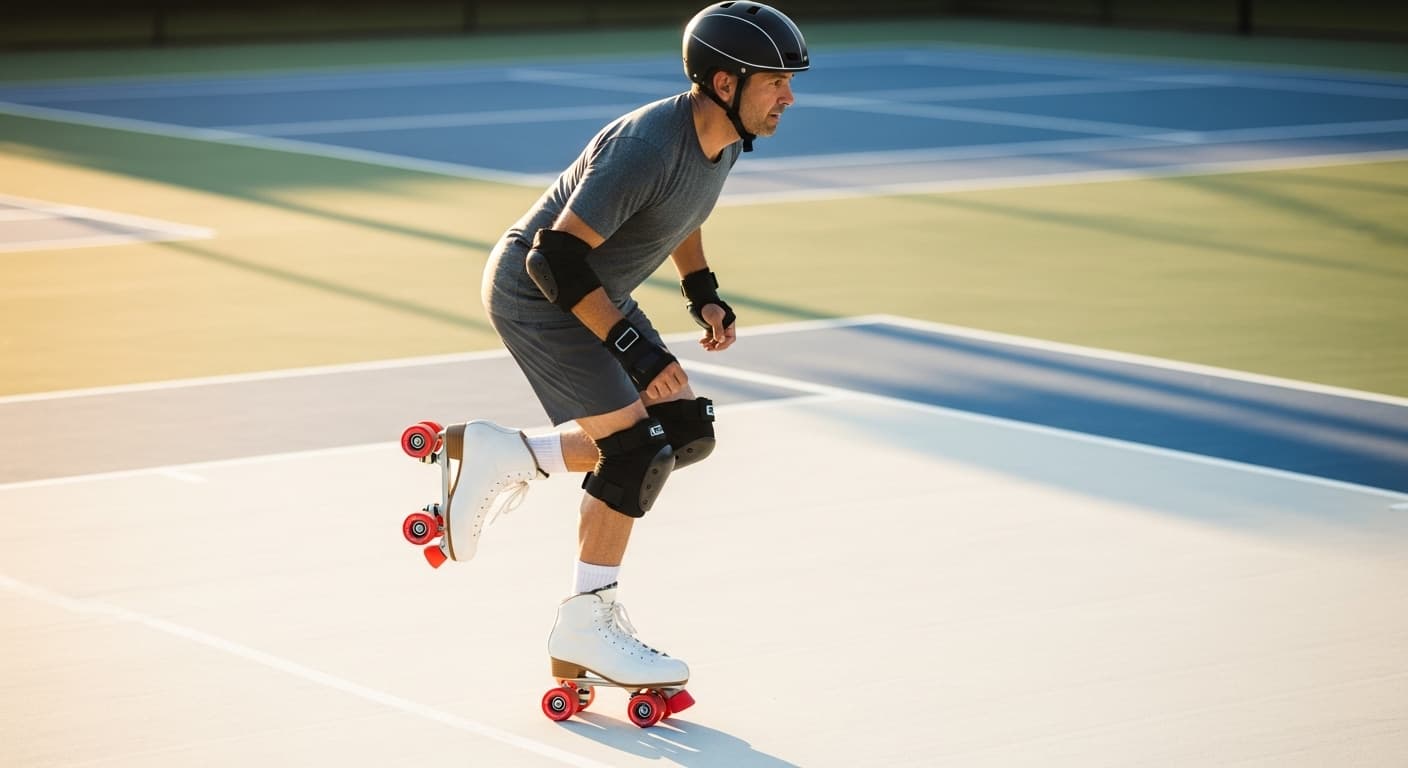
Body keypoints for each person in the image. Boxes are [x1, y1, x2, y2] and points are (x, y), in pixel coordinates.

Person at [438, 1, 808, 710]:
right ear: (725, 84)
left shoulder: (724, 139)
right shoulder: (648, 143)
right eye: (775, 81)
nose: (789, 96)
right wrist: (635, 349)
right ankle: (585, 623)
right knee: (635, 450)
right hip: (539, 293)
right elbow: (556, 260)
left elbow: (683, 213)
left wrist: (701, 290)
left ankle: (511, 454)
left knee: (684, 434)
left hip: (591, 289)